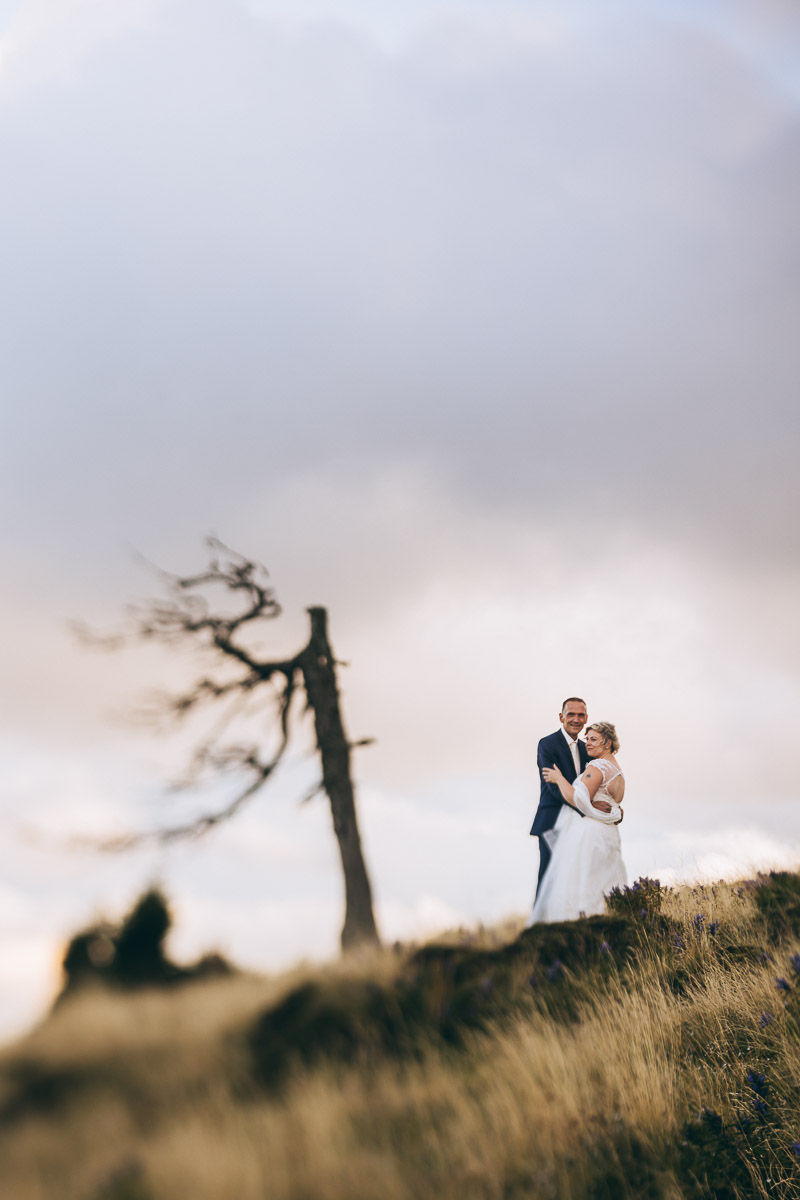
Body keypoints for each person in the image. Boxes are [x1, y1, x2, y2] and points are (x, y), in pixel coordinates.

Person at [528, 721, 627, 924]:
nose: (587, 743)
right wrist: (615, 813)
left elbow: (578, 799)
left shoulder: (597, 766)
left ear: (607, 743)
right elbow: (613, 804)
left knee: (581, 883)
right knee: (603, 881)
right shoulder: (617, 770)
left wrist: (558, 778)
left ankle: (573, 926)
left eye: (593, 739)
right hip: (609, 834)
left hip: (590, 833)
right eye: (587, 739)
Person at [530, 698, 613, 894]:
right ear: (561, 717)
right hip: (553, 821)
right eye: (571, 714)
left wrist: (612, 807)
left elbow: (597, 783)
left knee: (576, 878)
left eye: (581, 715)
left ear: (586, 719)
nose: (576, 719)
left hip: (580, 824)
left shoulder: (588, 748)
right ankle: (541, 923)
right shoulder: (547, 744)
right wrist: (590, 807)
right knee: (549, 877)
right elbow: (553, 788)